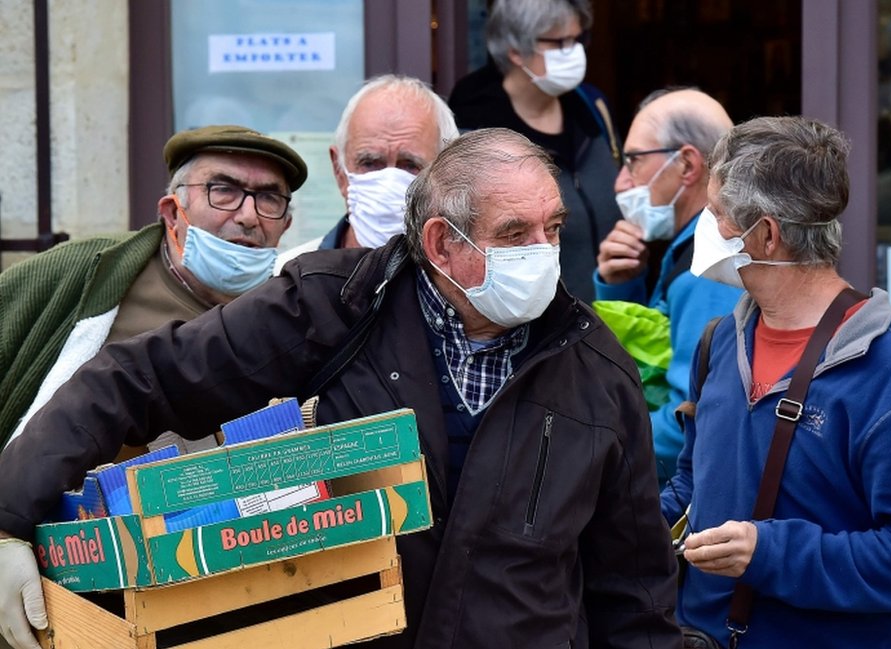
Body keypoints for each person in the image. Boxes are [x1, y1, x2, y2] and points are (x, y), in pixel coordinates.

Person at [0, 128, 682, 649]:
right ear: (441, 244)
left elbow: (634, 592)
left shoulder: (598, 369)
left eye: (553, 228)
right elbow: (137, 378)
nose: (542, 251)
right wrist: (4, 522)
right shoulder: (338, 305)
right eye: (514, 233)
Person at [661, 115, 891, 648]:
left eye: (714, 214)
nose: (701, 230)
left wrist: (770, 554)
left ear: (766, 233)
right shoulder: (721, 341)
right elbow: (695, 486)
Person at [0, 125, 306, 451]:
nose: (248, 216)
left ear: (285, 225)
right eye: (223, 191)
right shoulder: (84, 272)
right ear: (173, 213)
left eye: (269, 198)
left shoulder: (295, 314)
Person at [594, 88, 740, 484]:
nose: (622, 182)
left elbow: (690, 416)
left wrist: (593, 449)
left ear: (688, 165)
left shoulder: (709, 266)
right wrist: (620, 285)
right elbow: (650, 355)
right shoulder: (692, 248)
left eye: (633, 161)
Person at [448, 0, 621, 303]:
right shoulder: (476, 130)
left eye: (578, 40)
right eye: (559, 43)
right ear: (515, 50)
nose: (574, 52)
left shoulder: (592, 110)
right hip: (530, 325)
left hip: (608, 317)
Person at [275, 74, 458, 269]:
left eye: (410, 165)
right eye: (370, 163)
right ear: (340, 171)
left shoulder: (467, 288)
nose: (388, 182)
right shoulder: (288, 280)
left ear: (447, 174)